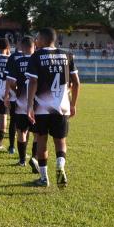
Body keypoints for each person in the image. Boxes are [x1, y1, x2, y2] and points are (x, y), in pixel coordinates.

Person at [26, 27, 80, 187]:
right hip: (62, 107)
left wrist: (29, 105)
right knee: (60, 141)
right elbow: (76, 82)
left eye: (37, 38)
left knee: (42, 141)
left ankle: (44, 178)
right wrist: (73, 104)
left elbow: (33, 82)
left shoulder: (36, 56)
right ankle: (60, 165)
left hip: (41, 108)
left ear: (43, 39)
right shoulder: (67, 55)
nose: (35, 40)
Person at [4, 35, 39, 172]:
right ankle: (35, 158)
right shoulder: (39, 61)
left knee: (21, 131)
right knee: (37, 134)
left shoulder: (18, 62)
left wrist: (16, 90)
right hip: (37, 103)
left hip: (20, 102)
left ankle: (22, 160)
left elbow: (11, 82)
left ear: (23, 48)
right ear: (34, 46)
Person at [4, 38, 27, 155]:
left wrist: (7, 94)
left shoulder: (13, 57)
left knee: (14, 121)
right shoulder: (33, 58)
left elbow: (8, 78)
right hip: (31, 98)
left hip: (15, 96)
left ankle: (12, 147)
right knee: (29, 126)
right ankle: (24, 152)